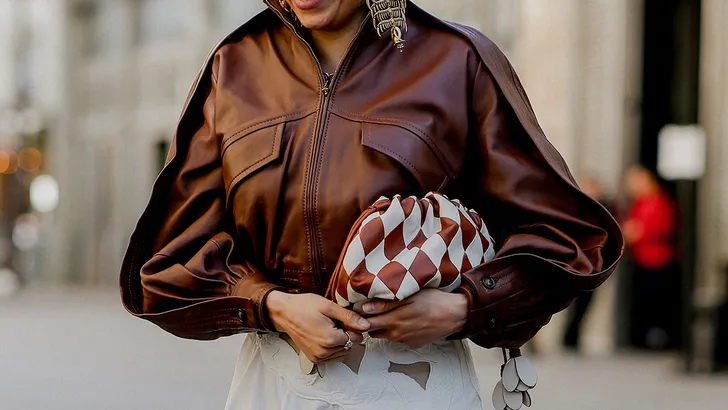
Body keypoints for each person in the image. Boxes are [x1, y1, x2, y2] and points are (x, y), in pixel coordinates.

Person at [120, 1, 623, 408]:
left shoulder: (456, 60)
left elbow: (571, 239)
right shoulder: (235, 65)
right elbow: (171, 256)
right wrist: (270, 305)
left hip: (418, 384)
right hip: (273, 388)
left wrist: (463, 307)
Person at [622, 165, 679, 349]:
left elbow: (638, 231)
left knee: (655, 305)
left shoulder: (655, 203)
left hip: (656, 261)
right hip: (642, 259)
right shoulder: (640, 203)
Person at [562, 176, 616, 350]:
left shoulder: (603, 209)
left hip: (593, 263)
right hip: (578, 263)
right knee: (574, 301)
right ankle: (569, 337)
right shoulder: (577, 207)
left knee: (585, 302)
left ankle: (572, 337)